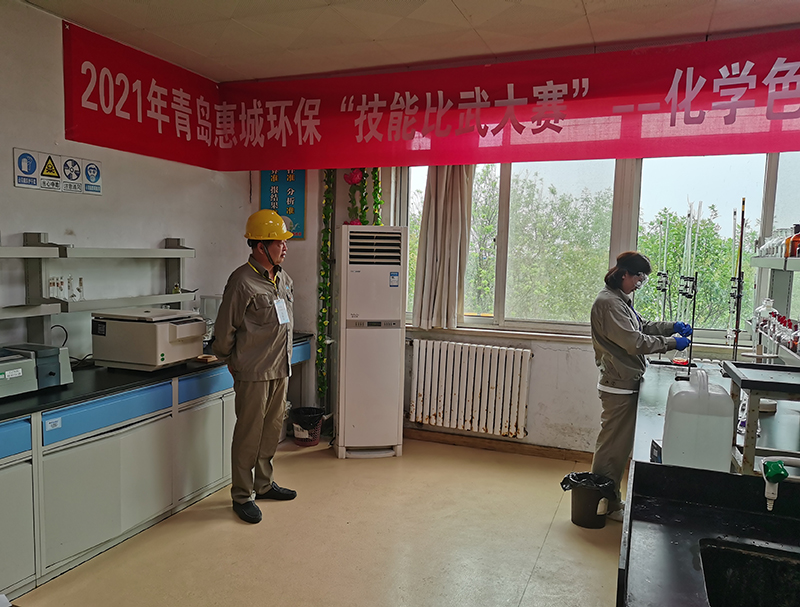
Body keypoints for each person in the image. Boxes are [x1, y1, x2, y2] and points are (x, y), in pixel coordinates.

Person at [589, 251, 692, 522]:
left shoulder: (619, 299)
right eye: (638, 278)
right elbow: (634, 342)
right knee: (613, 448)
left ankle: (606, 501)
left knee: (616, 446)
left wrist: (671, 327)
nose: (639, 283)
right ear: (624, 274)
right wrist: (673, 343)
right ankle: (603, 503)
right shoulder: (609, 303)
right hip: (619, 384)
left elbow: (641, 326)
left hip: (625, 381)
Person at [213, 209, 297, 524]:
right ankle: (241, 495)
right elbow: (225, 329)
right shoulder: (241, 281)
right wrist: (228, 359)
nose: (285, 247)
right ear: (260, 246)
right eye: (279, 242)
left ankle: (263, 484)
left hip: (280, 368)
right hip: (253, 371)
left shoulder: (283, 278)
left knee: (272, 430)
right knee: (249, 434)